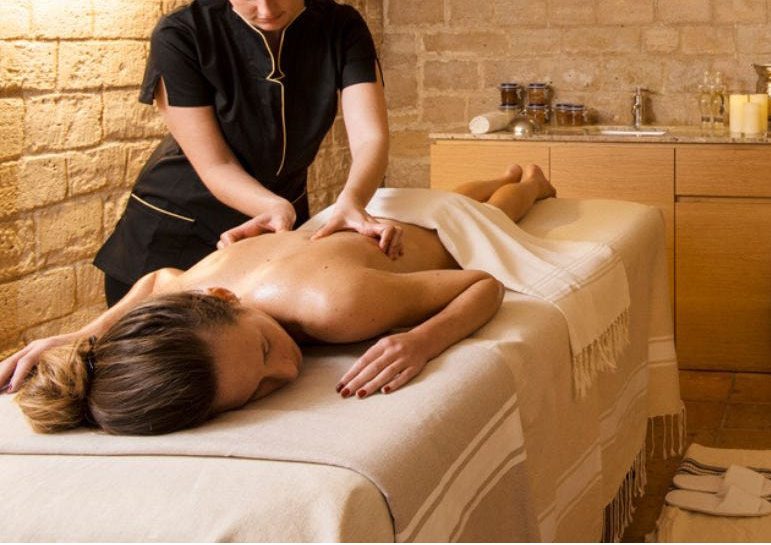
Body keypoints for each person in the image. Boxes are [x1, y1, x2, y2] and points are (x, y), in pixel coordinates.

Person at [3, 164, 558, 436]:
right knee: (448, 196)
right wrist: (83, 338)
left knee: (494, 209)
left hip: (434, 232)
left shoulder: (334, 308)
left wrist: (420, 342)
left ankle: (530, 182)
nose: (287, 370)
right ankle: (505, 174)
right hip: (360, 218)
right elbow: (155, 283)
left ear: (223, 297)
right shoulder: (191, 295)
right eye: (259, 389)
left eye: (266, 348)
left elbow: (482, 282)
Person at [93, 0, 397, 308]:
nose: (266, 8)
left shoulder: (341, 27)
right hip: (173, 236)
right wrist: (274, 207)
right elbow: (214, 164)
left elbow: (370, 135)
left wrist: (352, 200)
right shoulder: (182, 35)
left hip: (276, 230)